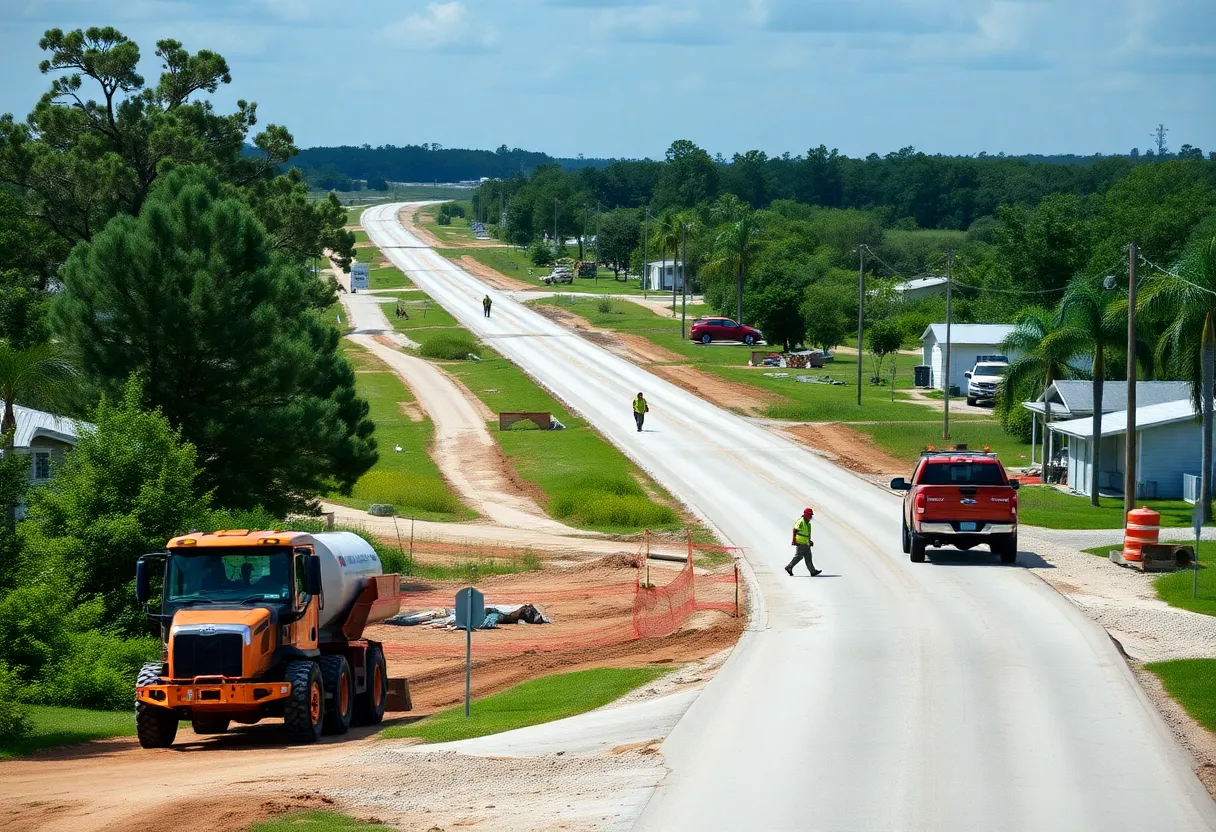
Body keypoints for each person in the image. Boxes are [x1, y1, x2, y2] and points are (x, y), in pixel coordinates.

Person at [786, 507, 821, 577]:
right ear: (805, 514)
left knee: (808, 556)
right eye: (809, 515)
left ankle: (813, 571)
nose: (810, 516)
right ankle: (789, 566)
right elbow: (795, 530)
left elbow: (806, 534)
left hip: (806, 543)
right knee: (799, 556)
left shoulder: (808, 523)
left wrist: (809, 541)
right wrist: (794, 540)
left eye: (811, 515)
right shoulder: (801, 521)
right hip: (800, 542)